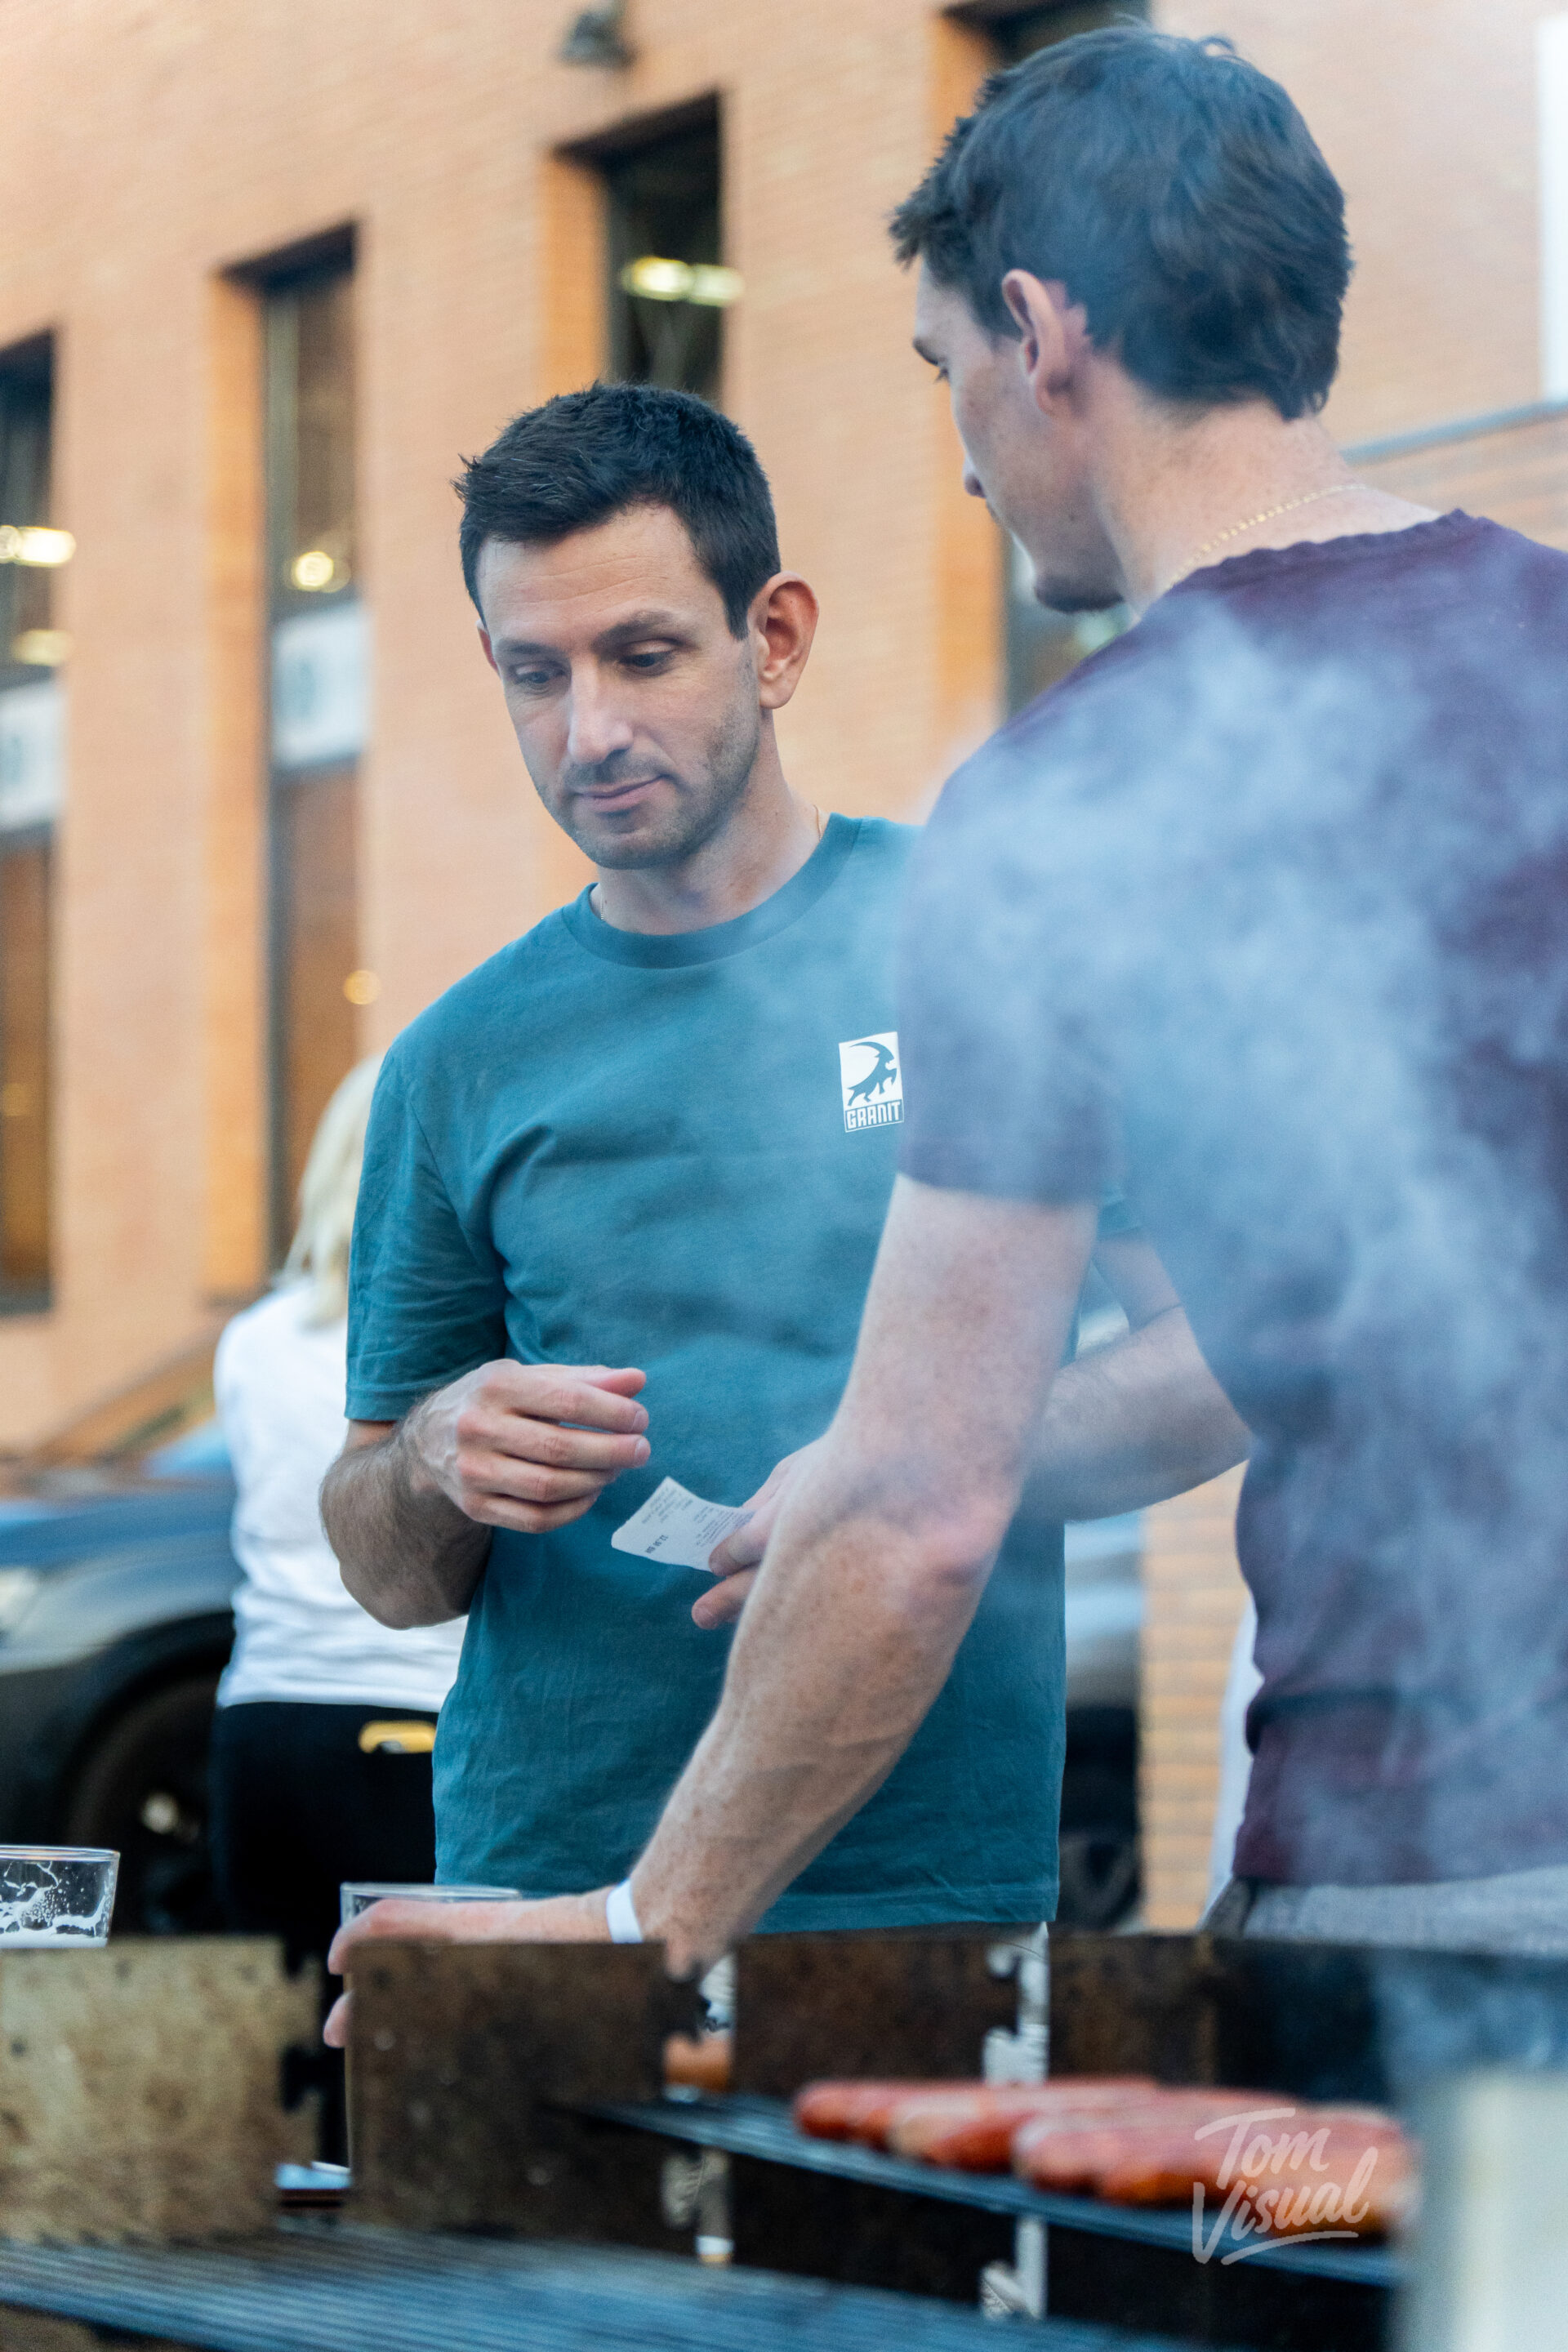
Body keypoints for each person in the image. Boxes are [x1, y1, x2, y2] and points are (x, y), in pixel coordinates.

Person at [332, 25, 1568, 1981]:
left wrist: (647, 1923)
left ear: (1041, 330)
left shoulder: (1064, 817)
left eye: (944, 373)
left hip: (1426, 1859)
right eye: (533, 673)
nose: (968, 456)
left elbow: (925, 1507)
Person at [318, 381, 1245, 2020]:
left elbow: (1224, 1360)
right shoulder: (458, 1062)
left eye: (643, 655)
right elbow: (386, 1567)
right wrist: (436, 1457)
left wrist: (914, 1474)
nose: (588, 730)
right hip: (545, 1877)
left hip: (915, 1887)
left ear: (777, 639)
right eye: (536, 673)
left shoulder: (979, 946)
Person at [210, 1058, 467, 1979]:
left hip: (260, 1726)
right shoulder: (448, 1350)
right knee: (412, 2029)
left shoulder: (252, 1340)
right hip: (406, 1722)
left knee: (287, 2033)